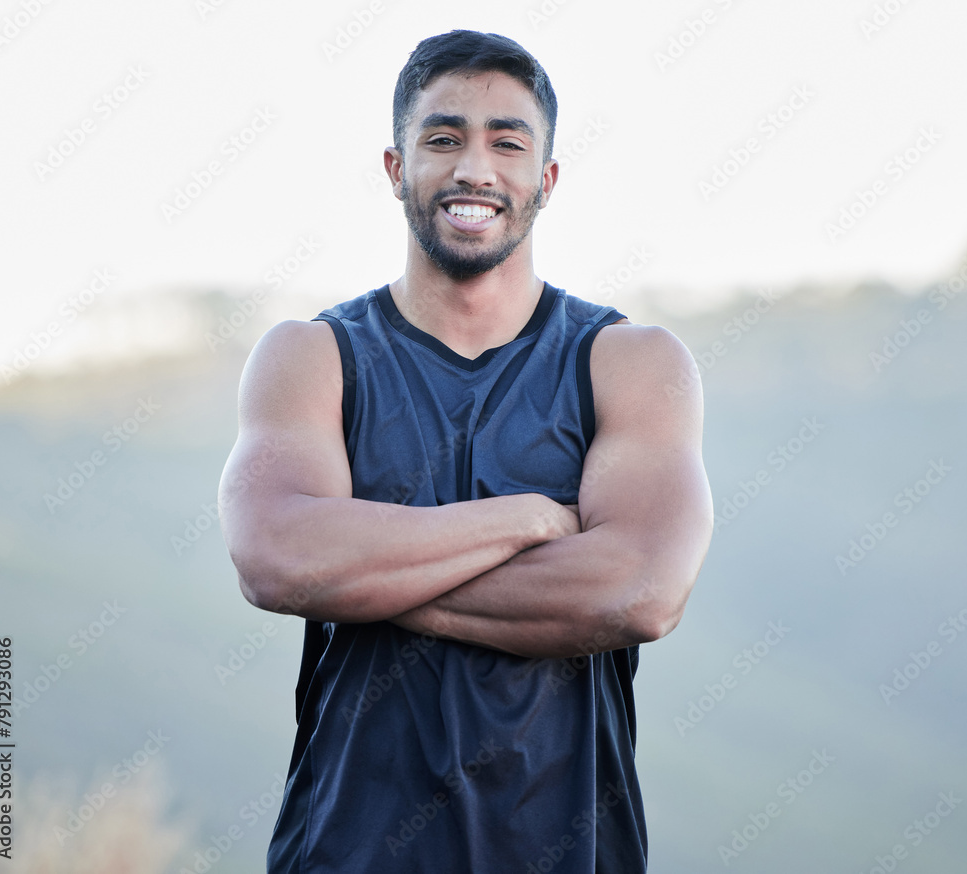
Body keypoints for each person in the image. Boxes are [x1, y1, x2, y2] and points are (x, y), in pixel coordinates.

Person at [218, 29, 713, 873]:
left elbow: (638, 592)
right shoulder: (312, 358)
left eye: (506, 143)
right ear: (395, 167)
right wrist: (526, 520)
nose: (473, 168)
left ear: (545, 180)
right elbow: (277, 560)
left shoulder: (630, 363)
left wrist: (365, 573)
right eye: (442, 139)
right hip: (346, 850)